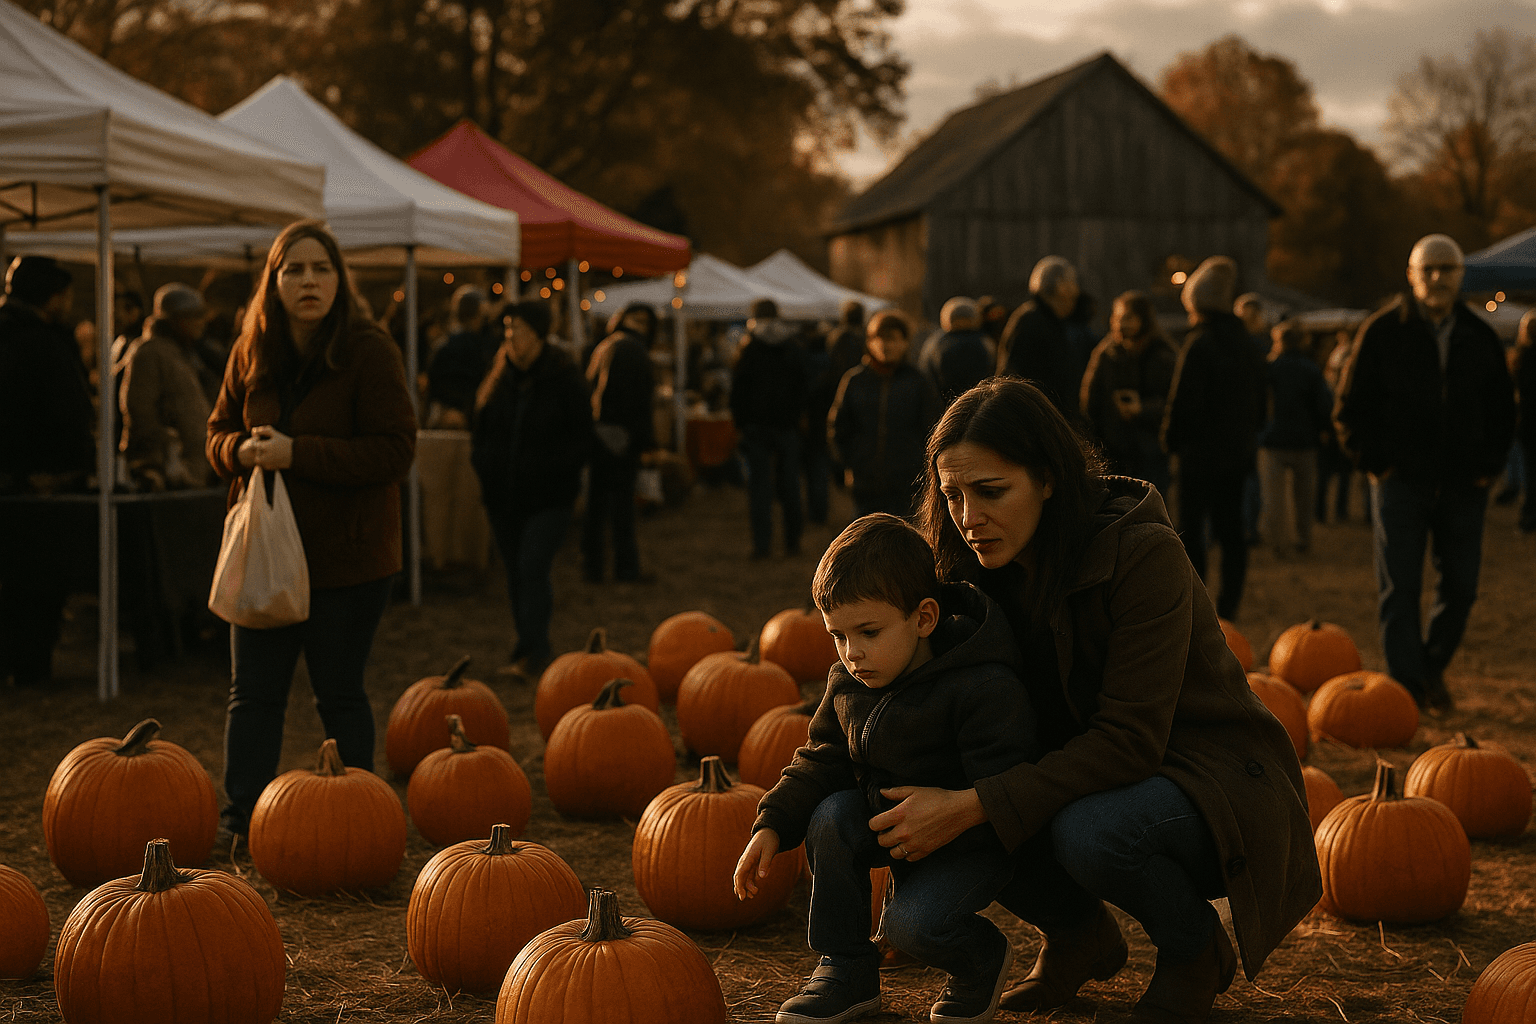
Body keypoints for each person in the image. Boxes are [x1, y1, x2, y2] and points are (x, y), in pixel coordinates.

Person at [873, 376, 1317, 1024]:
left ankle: (1194, 951)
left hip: (1206, 780)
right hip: (1084, 770)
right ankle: (1079, 935)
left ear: (1049, 479)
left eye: (991, 492)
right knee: (984, 778)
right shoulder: (965, 573)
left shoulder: (1142, 555)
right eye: (953, 495)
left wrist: (972, 806)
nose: (969, 518)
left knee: (1085, 829)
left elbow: (1130, 741)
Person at [735, 513, 1036, 1024]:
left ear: (923, 618)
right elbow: (821, 757)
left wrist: (957, 815)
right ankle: (846, 969)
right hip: (890, 826)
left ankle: (980, 958)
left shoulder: (981, 684)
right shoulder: (850, 684)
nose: (852, 654)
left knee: (911, 928)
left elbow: (1008, 783)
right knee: (829, 816)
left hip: (966, 842)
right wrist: (771, 824)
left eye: (868, 632)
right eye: (838, 636)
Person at [206, 220, 417, 838]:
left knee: (339, 694)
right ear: (273, 281)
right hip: (264, 552)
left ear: (338, 280)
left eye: (320, 268)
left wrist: (300, 454)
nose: (308, 281)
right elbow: (215, 434)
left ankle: (357, 824)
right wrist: (239, 452)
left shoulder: (369, 351)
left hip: (344, 561)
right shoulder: (251, 350)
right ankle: (241, 820)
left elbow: (395, 452)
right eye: (293, 269)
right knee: (253, 695)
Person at [1333, 233, 1517, 713]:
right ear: (1411, 274)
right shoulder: (1381, 331)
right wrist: (1377, 463)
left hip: (1463, 483)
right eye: (1427, 269)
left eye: (1447, 269)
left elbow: (1502, 409)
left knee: (1461, 586)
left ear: (1461, 276)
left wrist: (1488, 466)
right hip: (1401, 482)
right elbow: (1350, 408)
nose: (1437, 277)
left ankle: (1430, 667)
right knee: (1400, 586)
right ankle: (1407, 689)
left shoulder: (1479, 337)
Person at [470, 300, 592, 679]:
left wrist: (558, 470)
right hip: (504, 497)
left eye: (518, 329)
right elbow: (482, 431)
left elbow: (581, 436)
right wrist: (485, 470)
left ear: (538, 335)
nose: (511, 336)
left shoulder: (564, 377)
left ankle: (538, 649)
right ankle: (526, 643)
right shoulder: (498, 379)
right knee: (516, 573)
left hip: (548, 497)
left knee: (532, 566)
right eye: (508, 328)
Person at [0, 256, 95, 687]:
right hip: (41, 478)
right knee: (37, 579)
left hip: (17, 475)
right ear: (51, 296)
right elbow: (64, 412)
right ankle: (31, 663)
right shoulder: (43, 341)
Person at [1162, 256, 1267, 621]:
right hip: (1236, 455)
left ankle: (1196, 600)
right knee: (1232, 529)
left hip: (1198, 456)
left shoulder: (1199, 345)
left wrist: (1171, 440)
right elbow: (1262, 400)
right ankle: (1230, 604)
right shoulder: (1247, 346)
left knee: (1192, 531)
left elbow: (1182, 402)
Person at [829, 310, 941, 519]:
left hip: (906, 482)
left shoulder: (917, 382)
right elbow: (839, 426)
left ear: (905, 342)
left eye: (893, 339)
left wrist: (922, 468)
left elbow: (931, 428)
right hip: (864, 481)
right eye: (879, 338)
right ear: (870, 341)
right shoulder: (855, 380)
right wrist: (846, 463)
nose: (885, 345)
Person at [582, 301, 656, 582]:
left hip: (599, 433)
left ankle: (593, 566)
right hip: (618, 436)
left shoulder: (606, 345)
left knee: (597, 505)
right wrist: (642, 440)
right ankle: (625, 568)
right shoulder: (632, 349)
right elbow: (636, 402)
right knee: (620, 507)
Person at [1078, 290, 1178, 497]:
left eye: (1128, 318)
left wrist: (1143, 409)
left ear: (1143, 319)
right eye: (1117, 318)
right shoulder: (1106, 353)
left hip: (1152, 451)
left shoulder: (1162, 354)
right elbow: (1090, 399)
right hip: (1115, 450)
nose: (1121, 324)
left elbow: (1175, 402)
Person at [731, 298, 808, 558]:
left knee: (759, 490)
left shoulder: (749, 349)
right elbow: (803, 387)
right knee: (791, 488)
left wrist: (741, 423)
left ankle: (762, 546)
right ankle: (792, 542)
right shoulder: (793, 347)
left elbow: (738, 392)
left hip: (757, 428)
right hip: (786, 428)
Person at [119, 283, 216, 490]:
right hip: (171, 473)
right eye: (194, 315)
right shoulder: (149, 353)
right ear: (176, 320)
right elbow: (140, 411)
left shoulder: (184, 353)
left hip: (193, 471)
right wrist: (157, 465)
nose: (201, 322)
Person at [1259, 322, 1334, 559]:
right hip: (1305, 441)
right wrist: (1322, 429)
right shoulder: (1310, 369)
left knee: (1274, 499)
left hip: (1273, 440)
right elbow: (1324, 404)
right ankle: (1303, 538)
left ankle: (1279, 543)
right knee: (1304, 496)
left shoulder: (1270, 367)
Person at [995, 256, 1082, 420]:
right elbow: (1012, 379)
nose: (1077, 291)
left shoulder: (1053, 323)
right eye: (1073, 282)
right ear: (1060, 286)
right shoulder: (1030, 322)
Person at [426, 285, 495, 427]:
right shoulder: (486, 347)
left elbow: (433, 385)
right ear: (480, 312)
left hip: (446, 416)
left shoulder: (442, 346)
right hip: (476, 416)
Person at [1234, 294, 1271, 545]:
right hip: (1245, 421)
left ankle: (1245, 528)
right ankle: (1245, 528)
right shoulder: (1260, 348)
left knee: (1248, 480)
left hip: (1247, 421)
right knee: (1248, 480)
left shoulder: (1257, 347)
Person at [918, 296, 994, 403]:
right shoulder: (983, 340)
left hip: (945, 405)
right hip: (979, 402)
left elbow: (927, 373)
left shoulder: (936, 343)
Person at [1515, 309, 1536, 535]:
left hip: (1530, 422)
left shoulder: (1524, 357)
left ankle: (1530, 516)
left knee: (1531, 472)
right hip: (1530, 422)